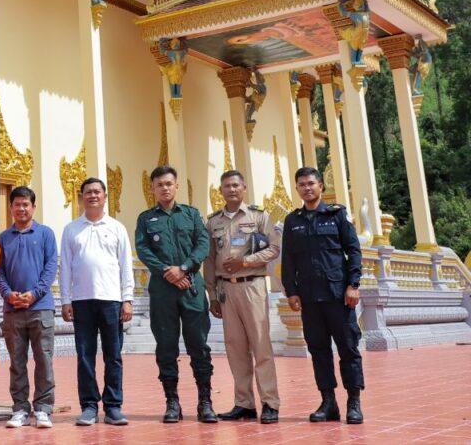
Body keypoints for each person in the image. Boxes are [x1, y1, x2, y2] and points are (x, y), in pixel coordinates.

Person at [281, 167, 365, 424]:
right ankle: (328, 402)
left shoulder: (337, 215)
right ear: (297, 189)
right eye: (302, 184)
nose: (307, 188)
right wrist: (291, 291)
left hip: (338, 295)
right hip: (309, 297)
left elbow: (354, 250)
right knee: (318, 351)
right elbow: (288, 260)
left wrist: (353, 284)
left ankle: (353, 402)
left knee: (348, 349)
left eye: (311, 183)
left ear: (320, 187)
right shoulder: (292, 221)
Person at [134, 165, 216, 424]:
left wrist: (184, 268)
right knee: (166, 347)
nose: (165, 188)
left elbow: (203, 244)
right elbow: (143, 250)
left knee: (199, 345)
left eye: (169, 183)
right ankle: (172, 402)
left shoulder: (191, 215)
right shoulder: (145, 219)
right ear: (152, 189)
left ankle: (205, 401)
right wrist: (166, 272)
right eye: (159, 184)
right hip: (162, 291)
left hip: (191, 288)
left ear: (176, 186)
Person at [203, 170, 281, 424]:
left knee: (261, 345)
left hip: (252, 285)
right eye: (227, 186)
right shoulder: (213, 222)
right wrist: (212, 294)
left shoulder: (258, 216)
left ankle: (270, 402)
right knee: (235, 347)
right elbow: (209, 260)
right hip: (226, 290)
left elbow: (274, 248)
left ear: (244, 188)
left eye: (236, 185)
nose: (232, 189)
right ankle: (244, 403)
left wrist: (245, 262)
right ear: (221, 191)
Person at [59, 177, 133, 427]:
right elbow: (65, 267)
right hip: (81, 300)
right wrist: (66, 300)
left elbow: (125, 265)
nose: (92, 196)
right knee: (84, 355)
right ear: (81, 197)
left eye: (97, 192)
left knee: (113, 355)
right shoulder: (71, 229)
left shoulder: (117, 227)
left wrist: (127, 299)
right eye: (88, 192)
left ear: (104, 196)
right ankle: (89, 406)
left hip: (111, 300)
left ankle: (113, 406)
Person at [0, 186, 58, 429]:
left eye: (26, 204)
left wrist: (34, 294)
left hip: (41, 308)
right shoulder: (3, 238)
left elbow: (50, 267)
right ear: (10, 207)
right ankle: (20, 408)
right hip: (13, 310)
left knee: (44, 360)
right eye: (17, 204)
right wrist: (8, 294)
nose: (21, 208)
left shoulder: (45, 234)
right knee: (17, 363)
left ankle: (43, 408)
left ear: (33, 207)